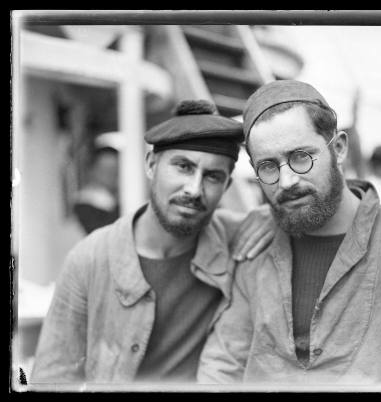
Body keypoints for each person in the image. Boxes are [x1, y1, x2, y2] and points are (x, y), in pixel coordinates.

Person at [197, 80, 381, 385]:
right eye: (268, 166)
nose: (287, 181)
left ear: (339, 148)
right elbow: (222, 365)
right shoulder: (252, 245)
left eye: (301, 156)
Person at [30, 100, 274, 386]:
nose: (194, 189)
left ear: (226, 187)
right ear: (151, 164)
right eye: (183, 167)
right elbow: (52, 376)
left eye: (212, 176)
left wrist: (276, 217)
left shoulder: (238, 239)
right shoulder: (91, 258)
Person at [73, 133, 122, 234]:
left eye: (115, 169)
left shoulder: (119, 199)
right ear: (92, 170)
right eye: (105, 169)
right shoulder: (84, 204)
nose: (111, 175)